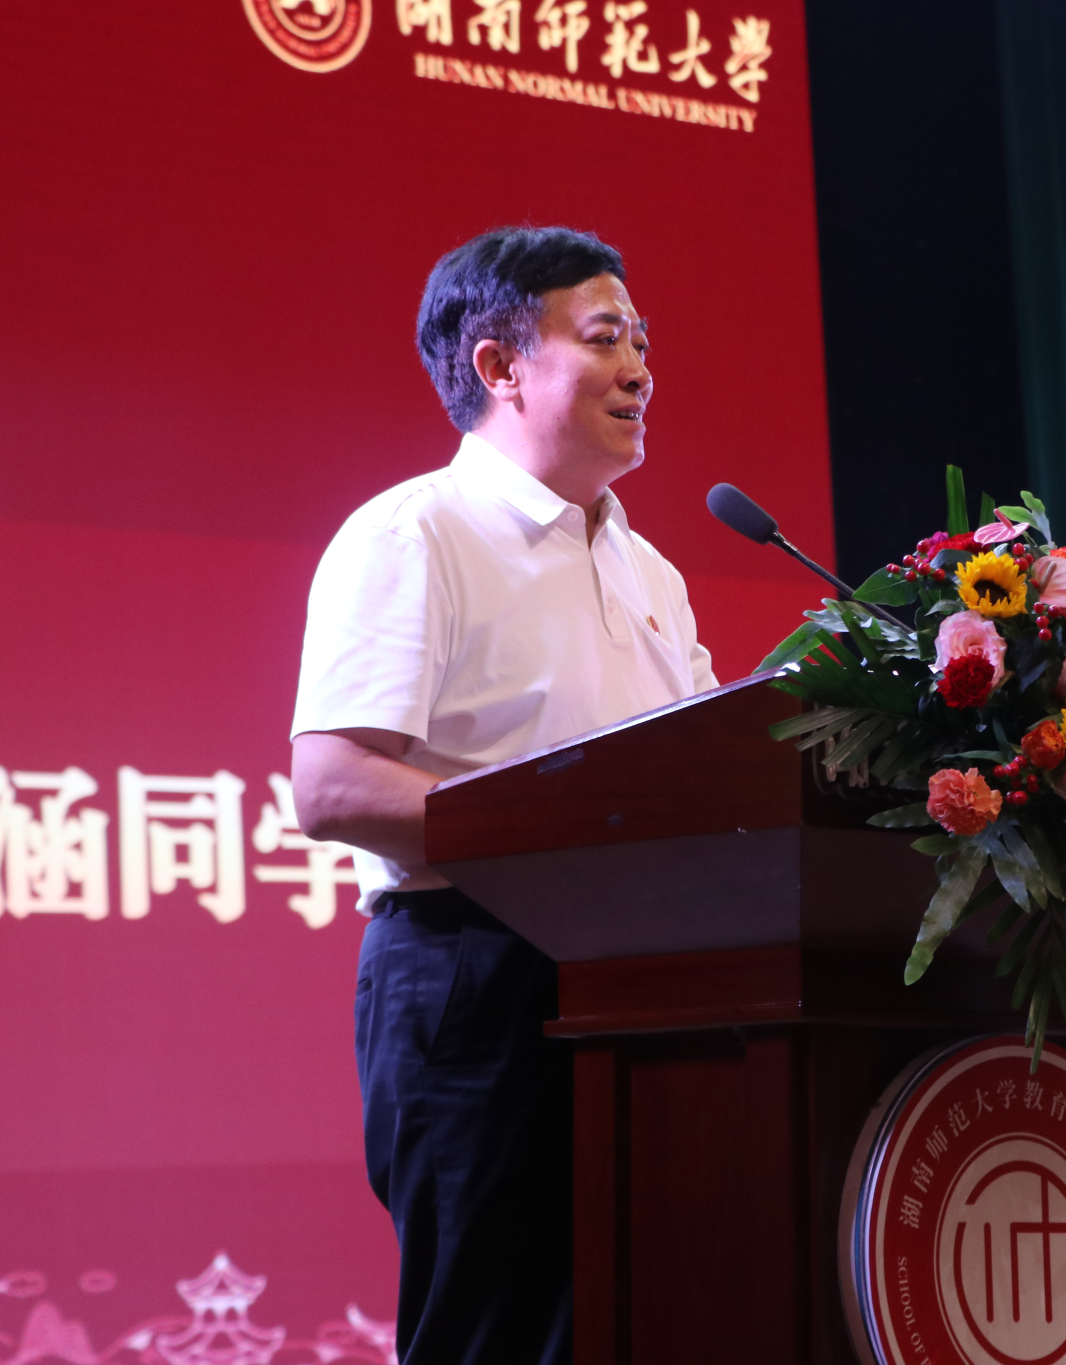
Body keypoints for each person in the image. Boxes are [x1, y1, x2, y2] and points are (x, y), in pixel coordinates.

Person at [287, 226, 717, 1365]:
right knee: (499, 1338)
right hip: (477, 972)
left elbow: (705, 773)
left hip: (649, 981)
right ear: (499, 366)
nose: (641, 369)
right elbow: (333, 785)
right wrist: (573, 828)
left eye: (643, 343)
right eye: (606, 339)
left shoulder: (652, 571)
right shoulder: (416, 532)